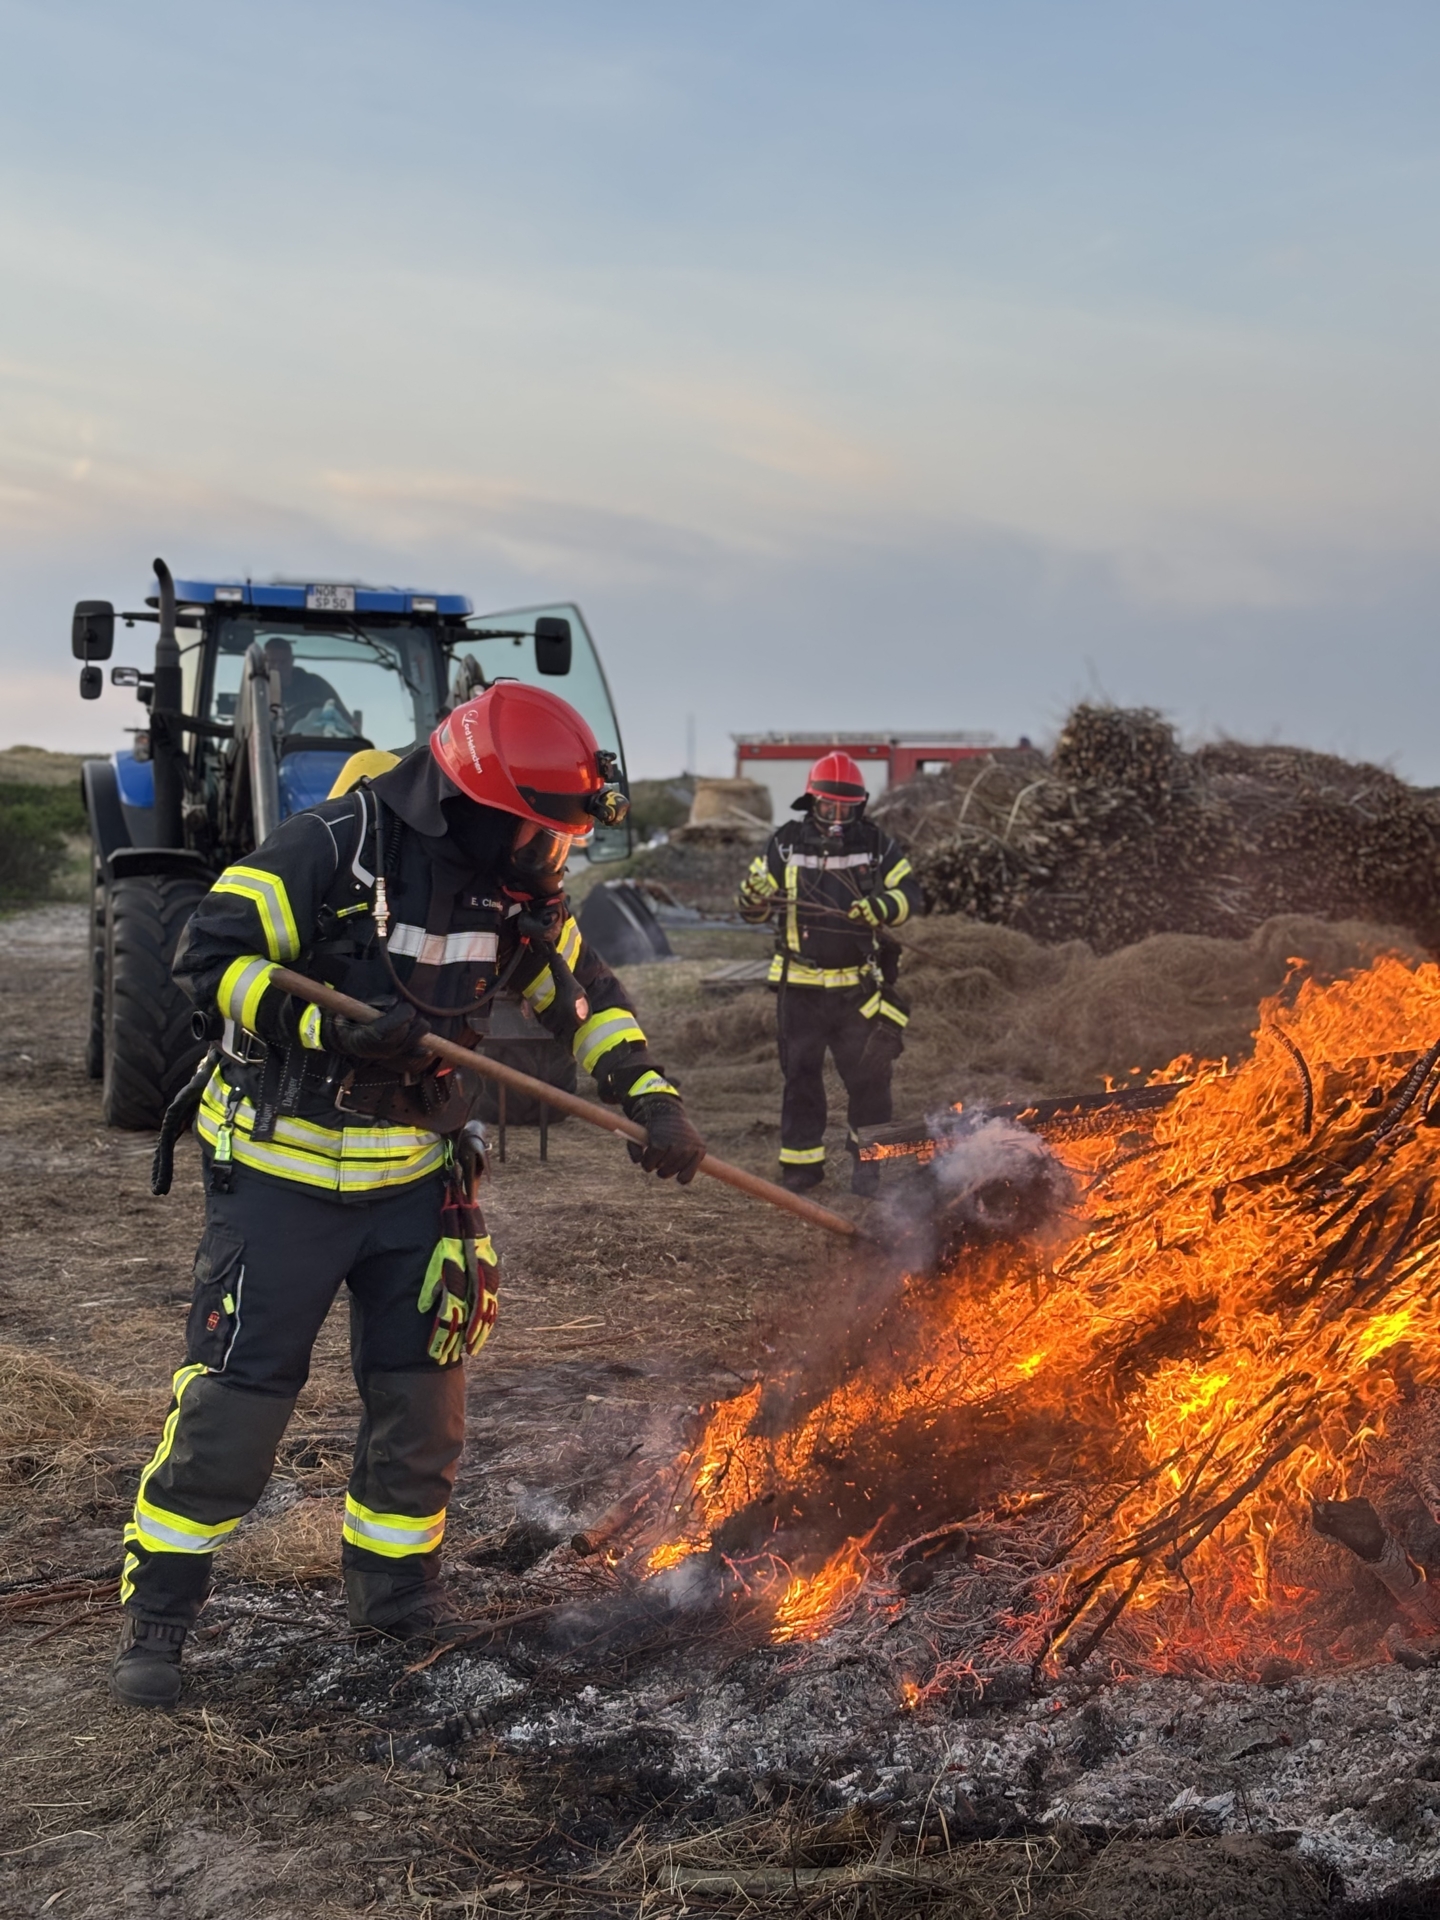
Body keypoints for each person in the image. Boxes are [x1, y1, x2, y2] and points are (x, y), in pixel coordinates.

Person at [111, 683, 705, 1710]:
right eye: (541, 830)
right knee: (235, 1416)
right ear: (476, 799)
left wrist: (651, 1098)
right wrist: (327, 1030)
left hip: (415, 1182)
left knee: (422, 1411)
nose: (551, 854)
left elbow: (585, 1000)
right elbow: (205, 960)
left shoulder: (518, 894)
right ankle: (159, 1620)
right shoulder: (328, 848)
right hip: (281, 1174)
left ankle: (395, 1606)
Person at [737, 751, 921, 1196]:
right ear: (811, 802)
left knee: (871, 1080)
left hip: (857, 990)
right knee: (800, 1078)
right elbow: (751, 909)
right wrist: (754, 896)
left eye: (846, 809)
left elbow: (910, 893)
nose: (837, 818)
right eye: (827, 807)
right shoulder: (784, 843)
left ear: (859, 806)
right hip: (799, 989)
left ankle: (869, 1169)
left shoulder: (876, 844)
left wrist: (878, 907)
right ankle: (803, 1168)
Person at [261, 635, 354, 734]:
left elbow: (342, 718)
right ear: (264, 662)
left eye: (283, 662)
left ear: (292, 661)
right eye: (272, 662)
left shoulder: (316, 686)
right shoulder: (257, 691)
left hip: (312, 744)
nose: (277, 667)